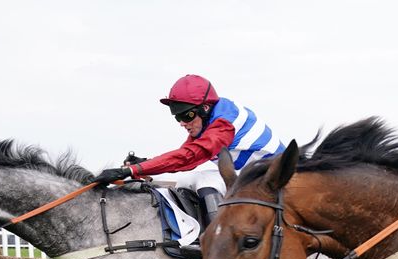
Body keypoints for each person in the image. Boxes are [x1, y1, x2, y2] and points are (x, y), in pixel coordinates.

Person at [94, 74, 286, 227]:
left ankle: (217, 248)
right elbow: (184, 156)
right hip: (249, 173)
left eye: (187, 115)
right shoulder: (211, 114)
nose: (182, 123)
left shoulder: (223, 125)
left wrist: (133, 170)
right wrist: (144, 165)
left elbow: (188, 158)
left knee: (203, 179)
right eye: (177, 117)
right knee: (181, 181)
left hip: (274, 179)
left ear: (204, 107)